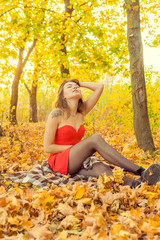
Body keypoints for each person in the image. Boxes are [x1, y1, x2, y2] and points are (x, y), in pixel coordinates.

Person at [44, 79, 160, 188]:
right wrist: (74, 148)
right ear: (63, 96)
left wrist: (79, 82)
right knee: (95, 138)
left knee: (101, 168)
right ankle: (140, 170)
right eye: (69, 86)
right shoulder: (57, 114)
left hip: (77, 160)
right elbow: (48, 147)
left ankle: (137, 184)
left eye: (76, 87)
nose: (75, 87)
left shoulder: (81, 112)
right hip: (60, 160)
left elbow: (99, 87)